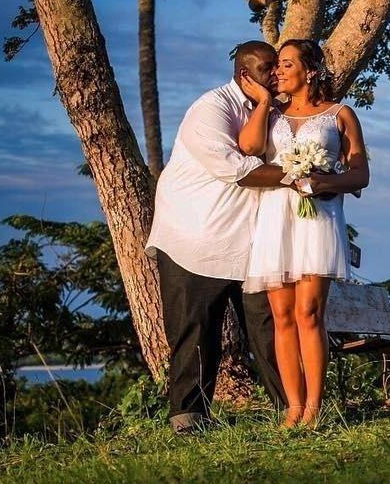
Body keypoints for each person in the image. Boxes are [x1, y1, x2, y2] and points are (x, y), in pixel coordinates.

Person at [145, 41, 324, 433]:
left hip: (249, 242)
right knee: (195, 330)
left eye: (278, 67)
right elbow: (237, 168)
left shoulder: (273, 111)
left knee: (267, 325)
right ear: (244, 75)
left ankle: (293, 411)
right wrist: (303, 178)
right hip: (193, 235)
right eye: (265, 69)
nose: (274, 74)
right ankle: (188, 419)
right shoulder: (210, 109)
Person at [238, 39, 369, 427]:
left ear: (310, 70)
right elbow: (248, 146)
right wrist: (262, 100)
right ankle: (291, 407)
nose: (277, 71)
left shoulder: (340, 115)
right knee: (281, 315)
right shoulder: (272, 114)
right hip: (276, 217)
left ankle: (314, 407)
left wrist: (324, 183)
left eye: (286, 64)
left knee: (309, 312)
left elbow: (361, 174)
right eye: (276, 65)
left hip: (318, 220)